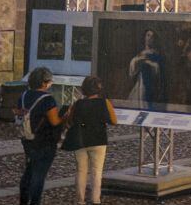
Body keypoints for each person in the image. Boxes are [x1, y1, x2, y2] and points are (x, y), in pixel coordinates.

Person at [62, 75, 117, 205]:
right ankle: (95, 200)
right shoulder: (105, 102)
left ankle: (80, 200)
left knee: (81, 171)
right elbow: (114, 121)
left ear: (84, 89)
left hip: (80, 140)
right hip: (99, 140)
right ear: (99, 89)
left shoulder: (78, 103)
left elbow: (70, 120)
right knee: (97, 172)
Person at [18, 66, 63, 205]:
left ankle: (23, 200)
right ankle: (35, 201)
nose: (50, 83)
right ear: (44, 83)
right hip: (45, 140)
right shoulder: (47, 99)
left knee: (30, 170)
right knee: (39, 173)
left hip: (28, 138)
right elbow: (55, 121)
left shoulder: (24, 96)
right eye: (49, 81)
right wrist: (66, 116)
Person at [127, 29, 166, 108]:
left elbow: (157, 70)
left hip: (149, 85)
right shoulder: (140, 53)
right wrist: (138, 60)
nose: (150, 38)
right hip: (139, 84)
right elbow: (132, 70)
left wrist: (147, 63)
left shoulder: (156, 54)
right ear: (145, 37)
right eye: (148, 35)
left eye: (152, 36)